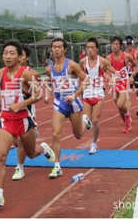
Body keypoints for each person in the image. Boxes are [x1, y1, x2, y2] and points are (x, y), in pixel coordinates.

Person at [0, 40, 55, 207]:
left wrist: (20, 105)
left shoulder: (26, 74)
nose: (7, 56)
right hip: (6, 120)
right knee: (1, 156)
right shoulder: (0, 73)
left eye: (11, 53)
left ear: (19, 57)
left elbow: (38, 94)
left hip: (24, 120)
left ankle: (44, 149)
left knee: (31, 153)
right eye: (5, 53)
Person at [45, 38, 92, 179]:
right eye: (54, 47)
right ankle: (57, 166)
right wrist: (47, 93)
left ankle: (85, 121)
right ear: (51, 49)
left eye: (59, 47)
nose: (56, 49)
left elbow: (87, 80)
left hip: (74, 103)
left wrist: (75, 94)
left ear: (64, 49)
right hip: (59, 103)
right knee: (55, 133)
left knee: (78, 135)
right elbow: (50, 82)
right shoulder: (49, 69)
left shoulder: (71, 65)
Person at [80, 38, 116, 154]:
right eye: (88, 48)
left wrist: (113, 77)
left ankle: (94, 143)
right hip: (87, 93)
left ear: (96, 49)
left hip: (99, 93)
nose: (90, 50)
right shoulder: (82, 62)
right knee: (85, 120)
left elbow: (112, 70)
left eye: (92, 48)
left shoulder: (103, 61)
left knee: (95, 120)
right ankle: (86, 126)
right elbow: (79, 75)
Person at [11, 46, 40, 181]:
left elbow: (37, 91)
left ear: (26, 58)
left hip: (27, 113)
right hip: (10, 113)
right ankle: (44, 149)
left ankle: (19, 167)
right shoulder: (7, 72)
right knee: (23, 147)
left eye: (22, 55)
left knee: (21, 143)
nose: (19, 58)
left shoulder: (31, 73)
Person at [107, 36, 137, 133]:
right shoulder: (108, 58)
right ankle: (127, 121)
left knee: (120, 104)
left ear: (120, 45)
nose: (114, 46)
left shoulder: (126, 56)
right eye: (113, 44)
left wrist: (132, 76)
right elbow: (103, 70)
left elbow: (136, 65)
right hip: (115, 83)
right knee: (119, 107)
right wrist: (108, 78)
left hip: (124, 82)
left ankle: (127, 118)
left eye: (116, 44)